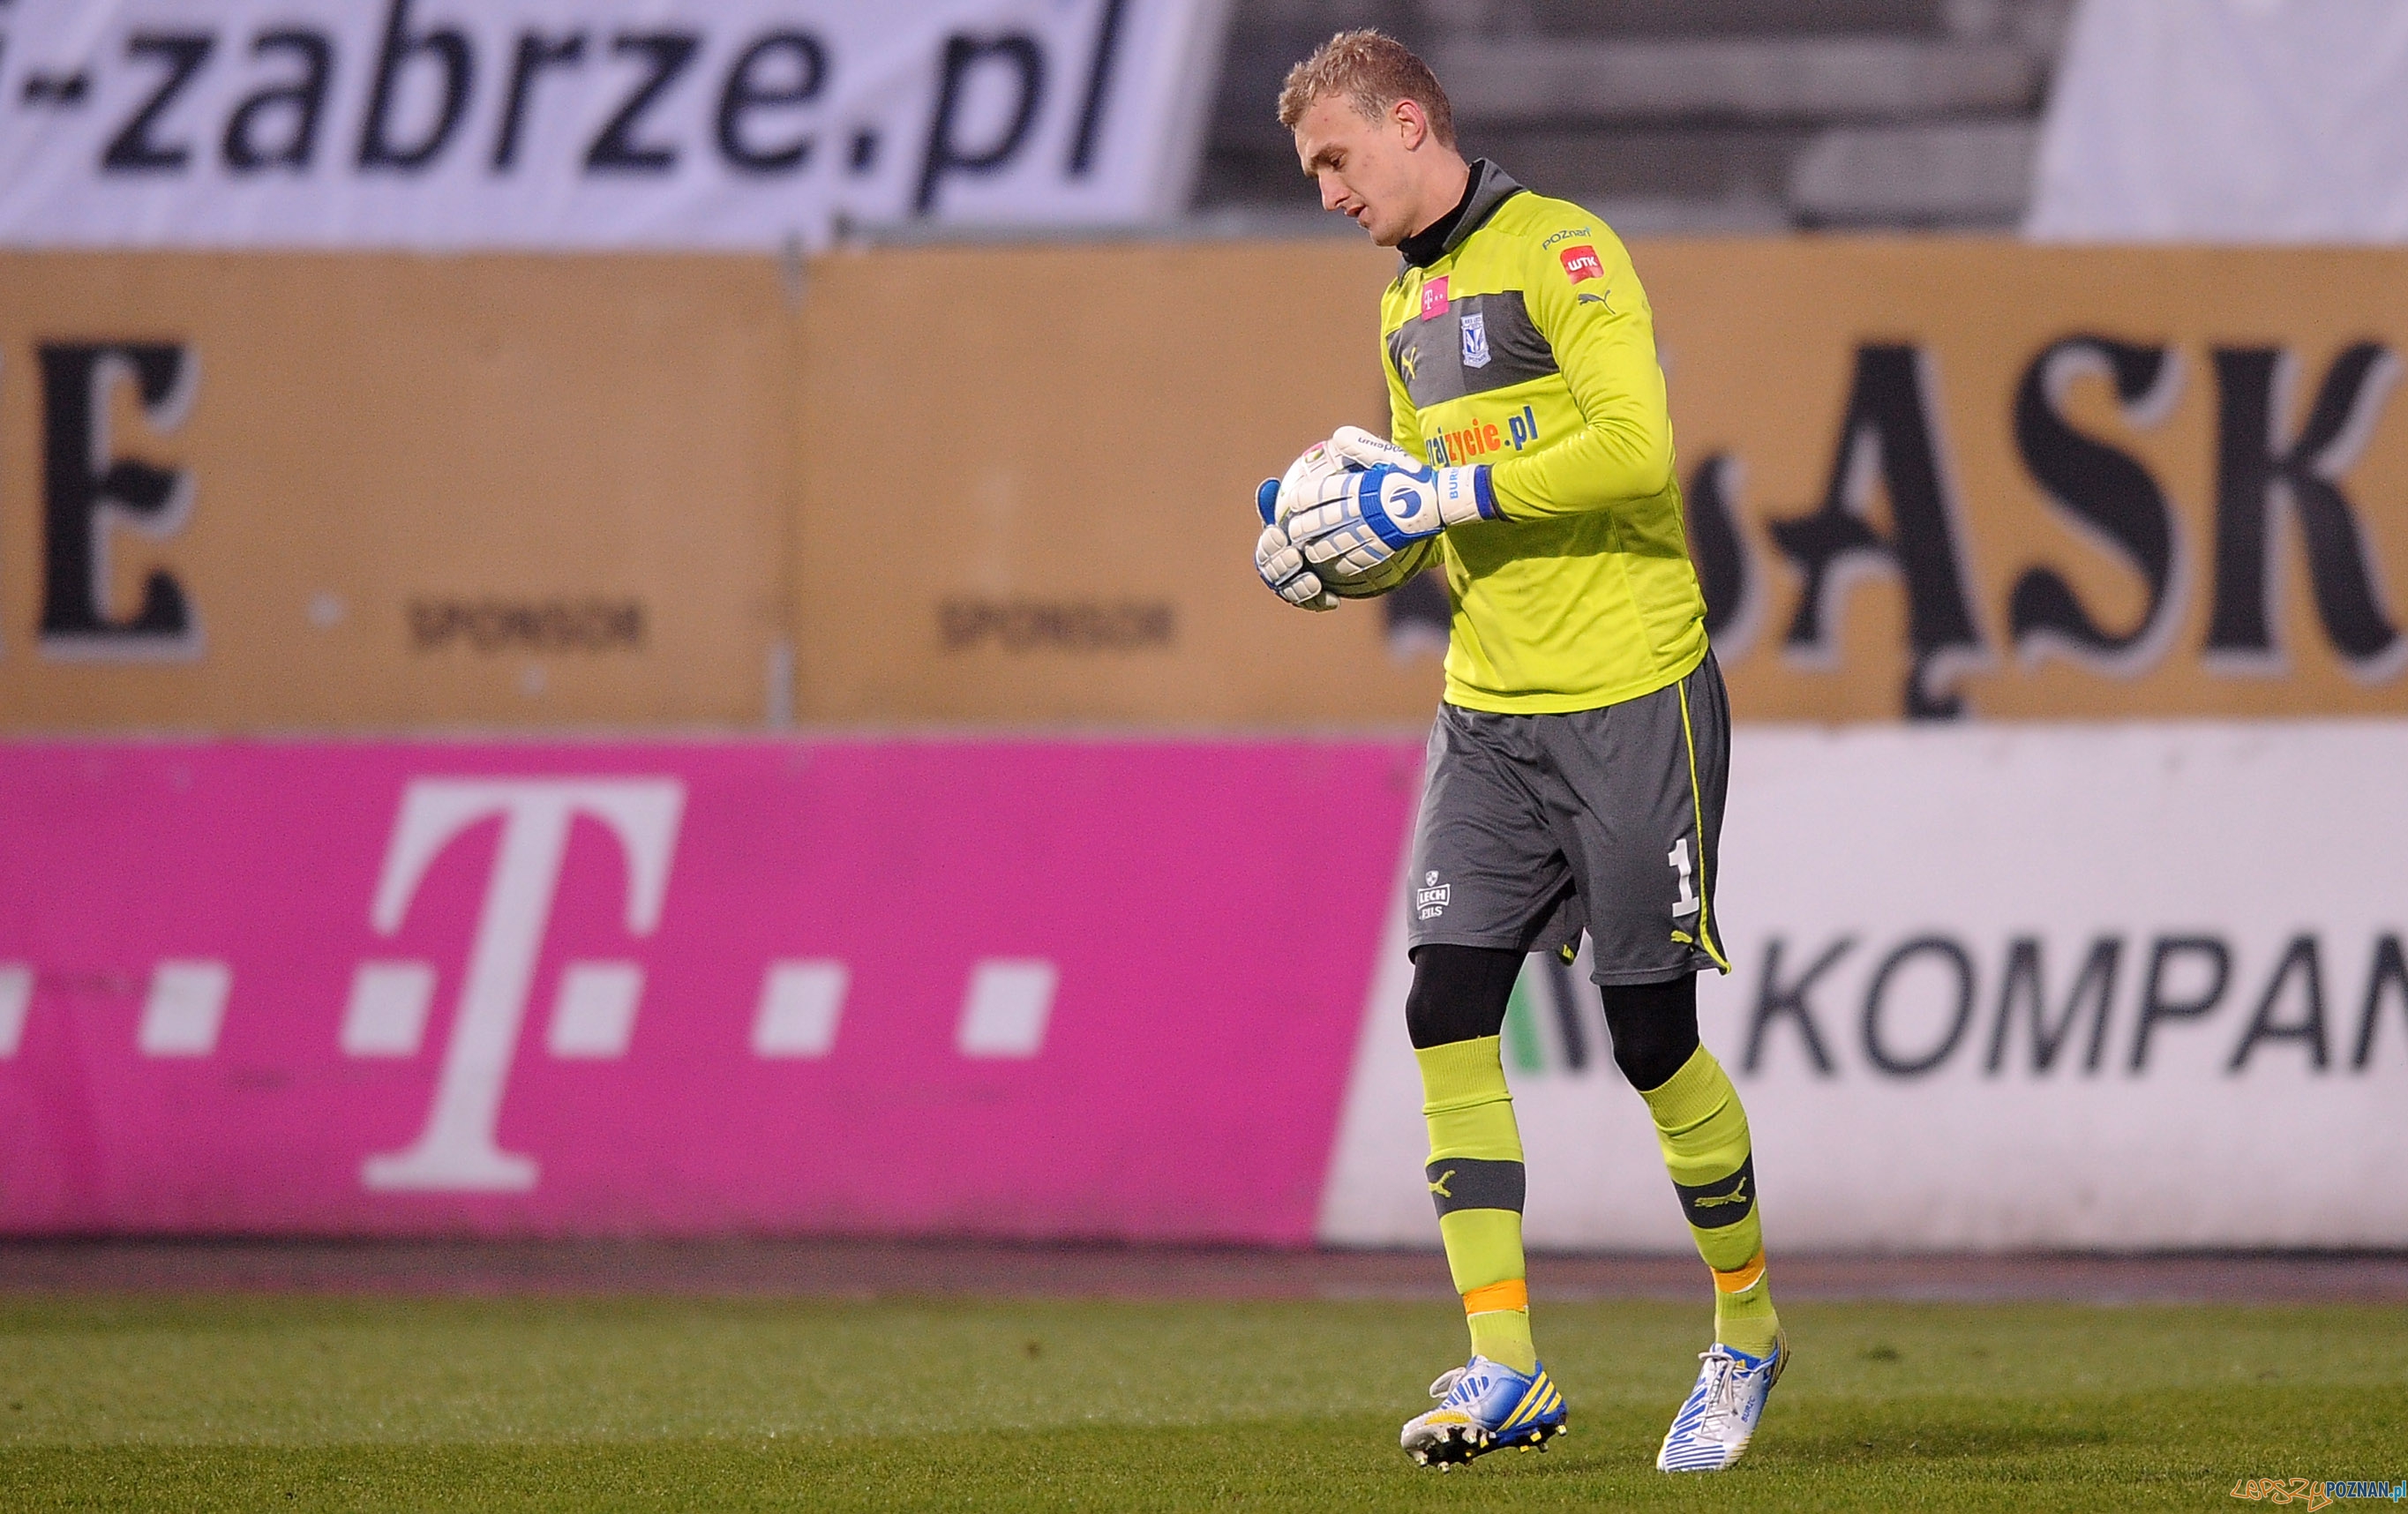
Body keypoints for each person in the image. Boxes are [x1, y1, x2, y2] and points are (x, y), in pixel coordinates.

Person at [1253, 30, 1787, 1474]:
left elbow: (1632, 450)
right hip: (1488, 709)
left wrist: (1441, 488)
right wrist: (1356, 545)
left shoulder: (1566, 253)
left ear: (1409, 122)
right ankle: (1507, 1369)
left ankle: (1742, 1333)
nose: (1325, 194)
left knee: (1647, 1038)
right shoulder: (1404, 305)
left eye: (1335, 161)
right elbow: (1444, 517)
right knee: (1443, 1007)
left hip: (1630, 692)